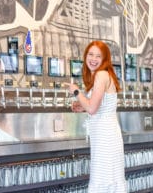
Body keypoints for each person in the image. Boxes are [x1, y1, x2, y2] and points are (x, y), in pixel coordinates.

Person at [66, 41, 127, 193]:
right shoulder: (103, 75)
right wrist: (82, 105)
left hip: (105, 137)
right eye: (90, 54)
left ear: (105, 59)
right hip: (104, 135)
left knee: (104, 179)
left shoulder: (101, 74)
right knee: (108, 178)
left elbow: (92, 109)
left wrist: (76, 92)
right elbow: (96, 106)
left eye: (98, 56)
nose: (93, 59)